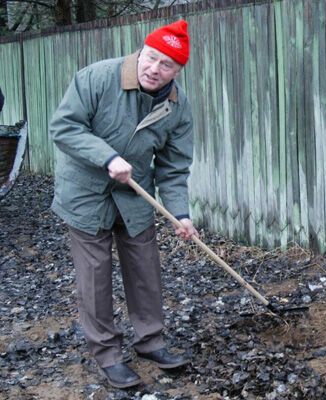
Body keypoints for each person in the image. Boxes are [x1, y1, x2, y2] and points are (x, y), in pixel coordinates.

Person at [49, 19, 197, 389]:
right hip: (86, 193)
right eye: (151, 58)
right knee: (95, 275)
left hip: (134, 194)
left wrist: (180, 213)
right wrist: (107, 157)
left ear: (178, 71)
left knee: (145, 270)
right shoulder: (97, 78)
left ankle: (151, 342)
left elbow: (174, 167)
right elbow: (64, 127)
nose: (154, 69)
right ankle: (109, 355)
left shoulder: (177, 107)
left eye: (167, 65)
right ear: (141, 52)